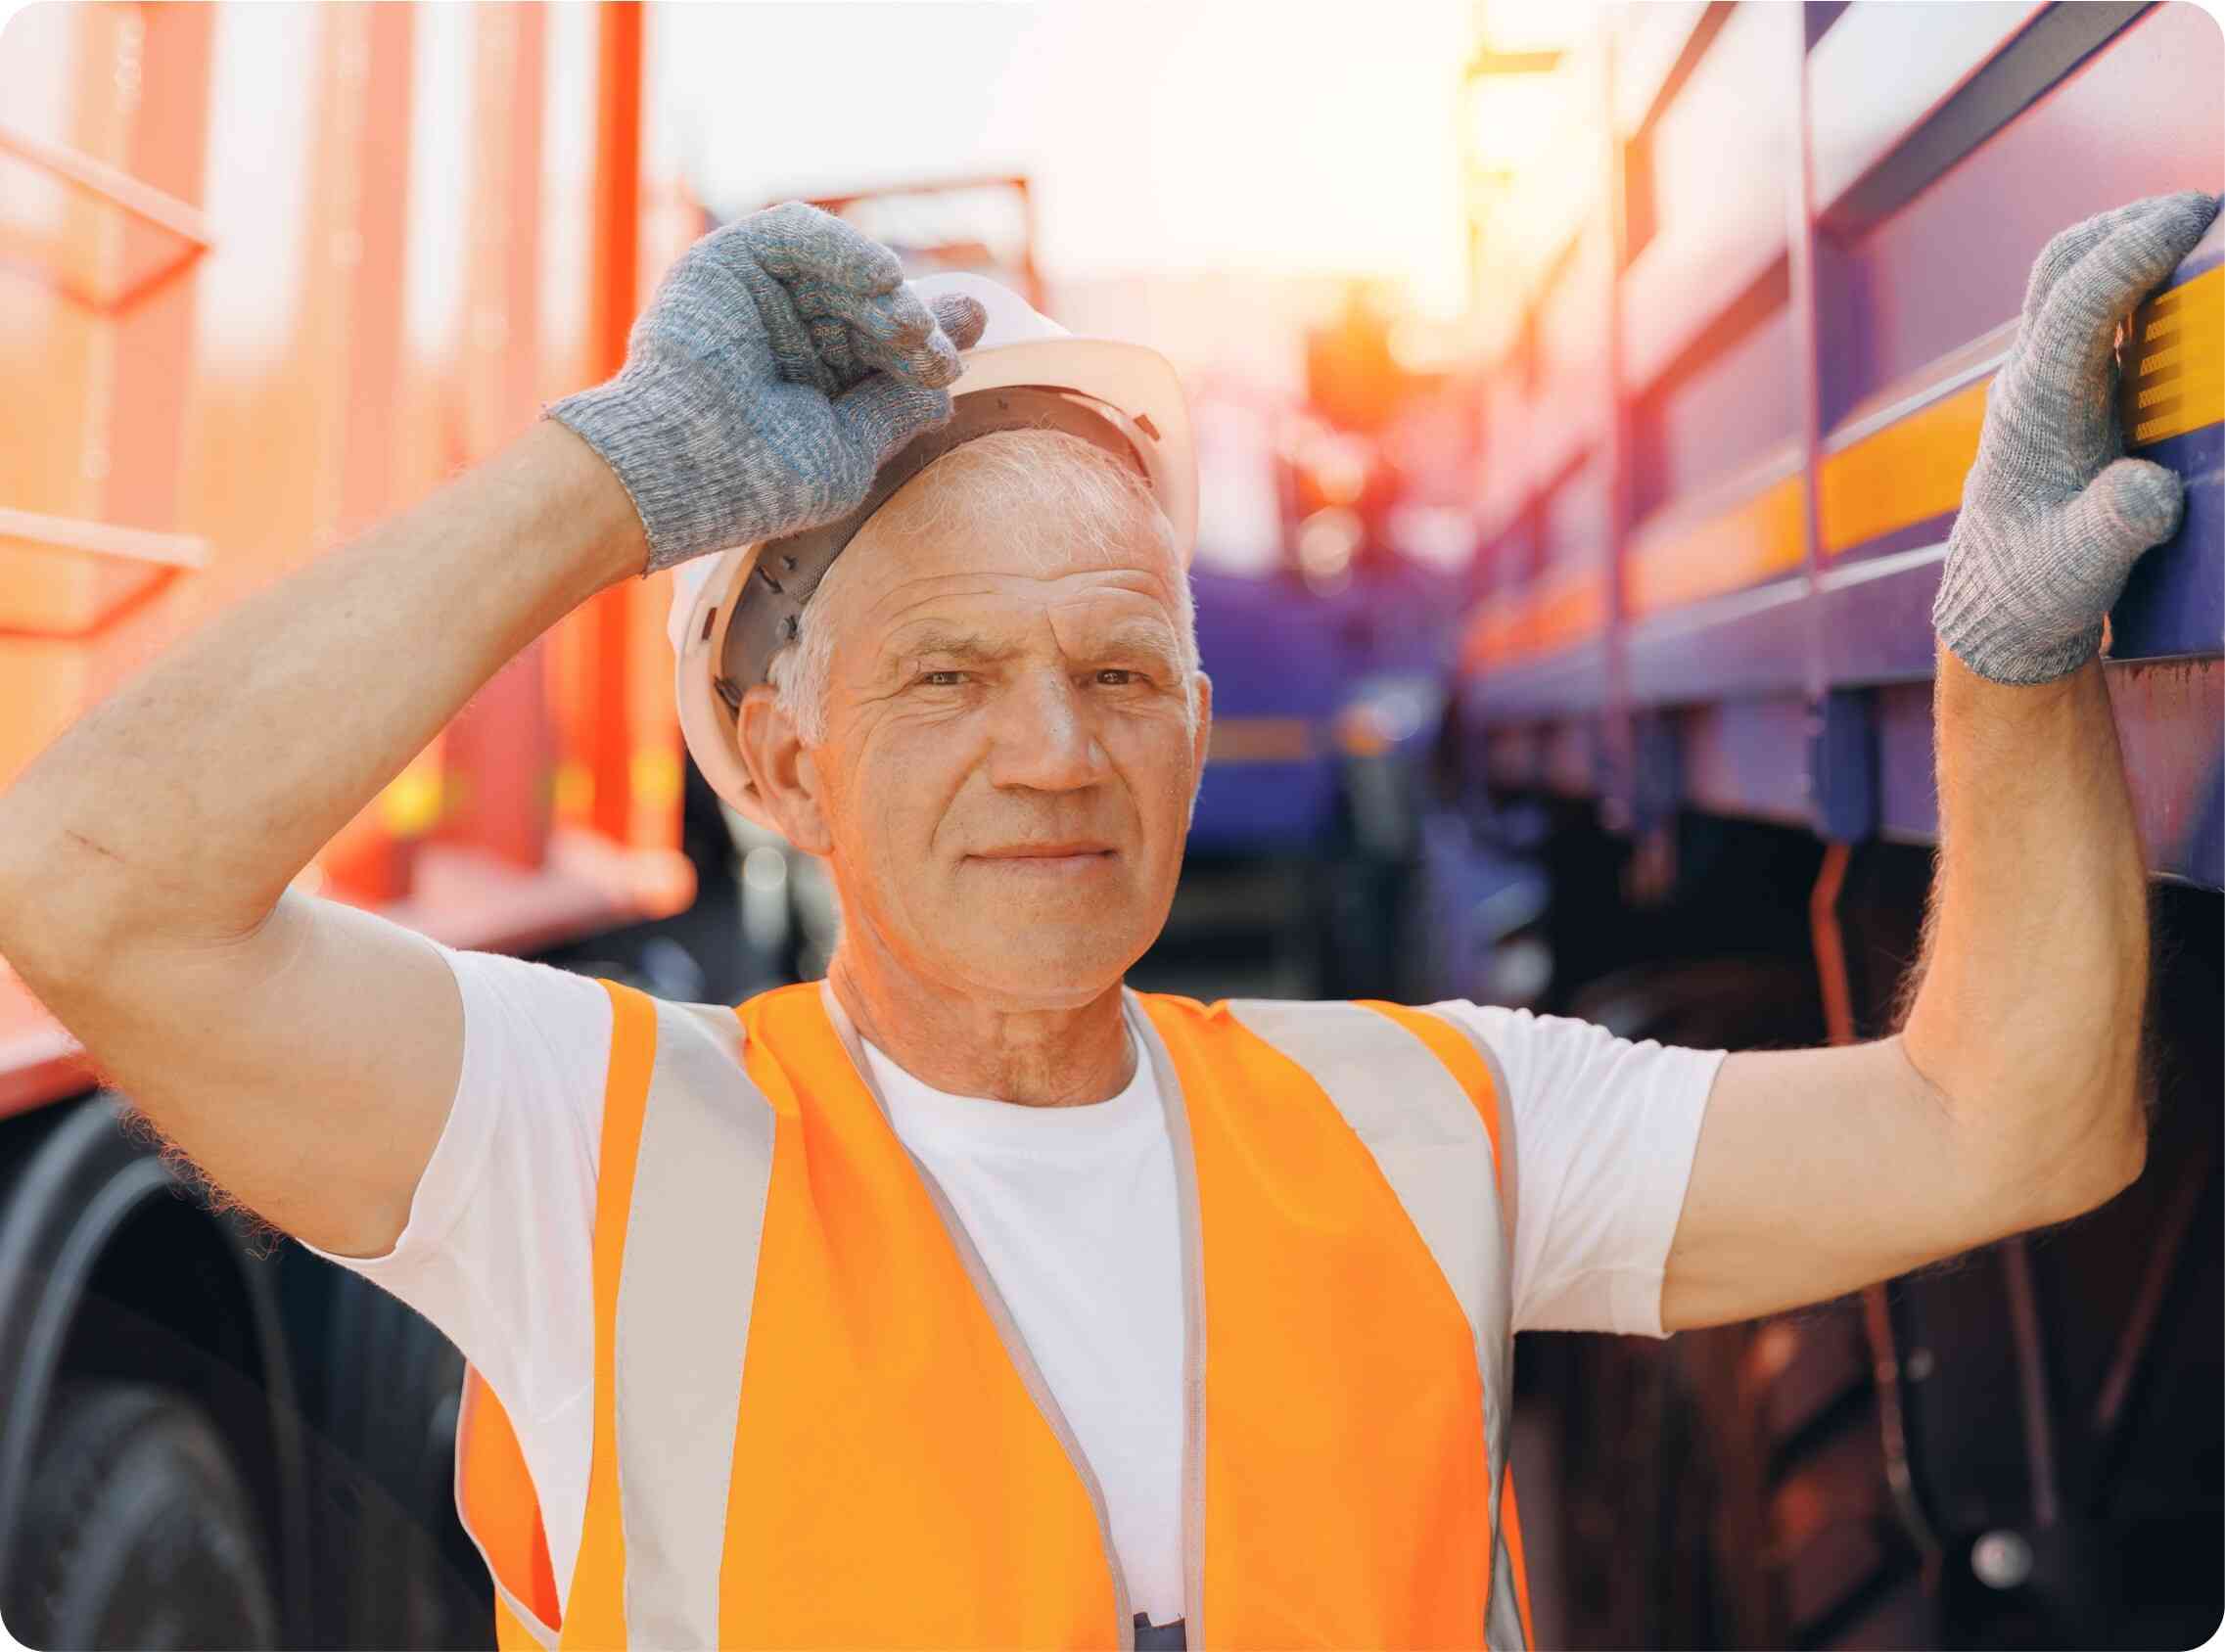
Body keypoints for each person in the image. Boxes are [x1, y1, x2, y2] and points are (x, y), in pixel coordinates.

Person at [0, 191, 2212, 1651]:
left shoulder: (1437, 1123)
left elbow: (2011, 1122)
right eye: (949, 676)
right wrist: (618, 476)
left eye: (1122, 671)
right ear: (774, 759)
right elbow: (95, 889)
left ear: (1196, 718)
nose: (1056, 752)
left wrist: (2004, 683)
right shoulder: (581, 1150)